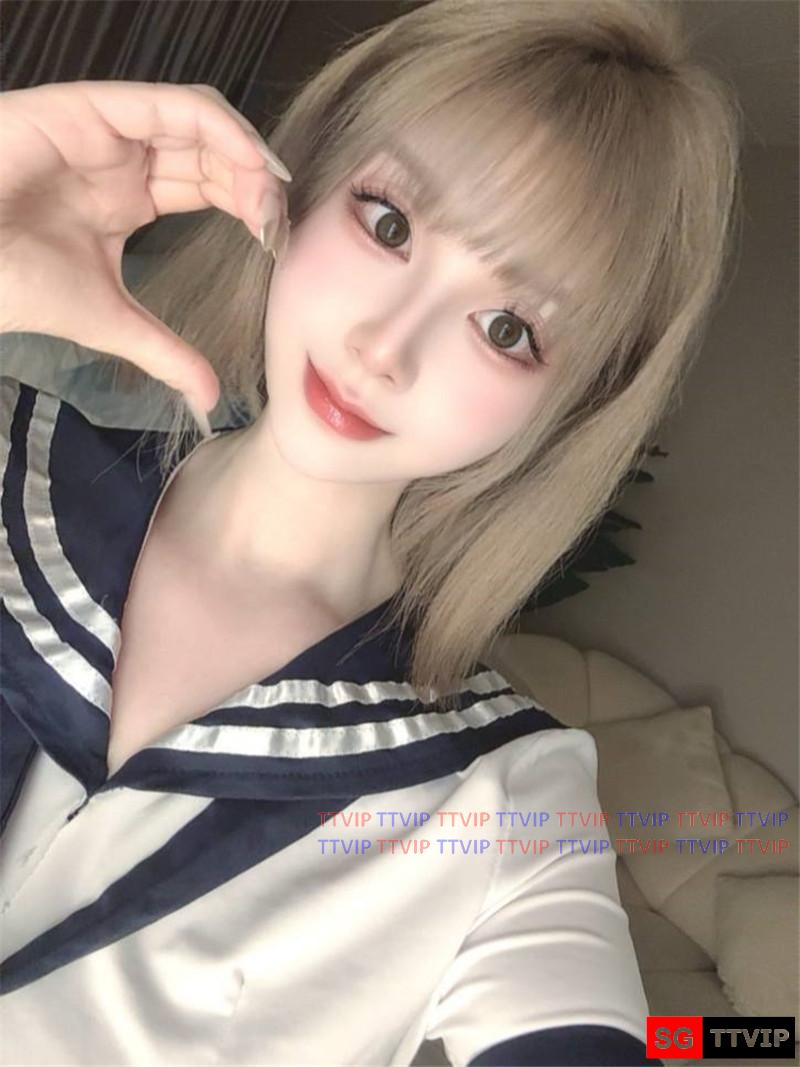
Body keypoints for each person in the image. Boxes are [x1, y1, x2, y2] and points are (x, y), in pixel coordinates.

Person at [0, 1, 742, 1064]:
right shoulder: (13, 463)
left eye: (508, 328)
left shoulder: (497, 798)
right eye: (389, 223)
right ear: (299, 183)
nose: (384, 347)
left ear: (570, 405)